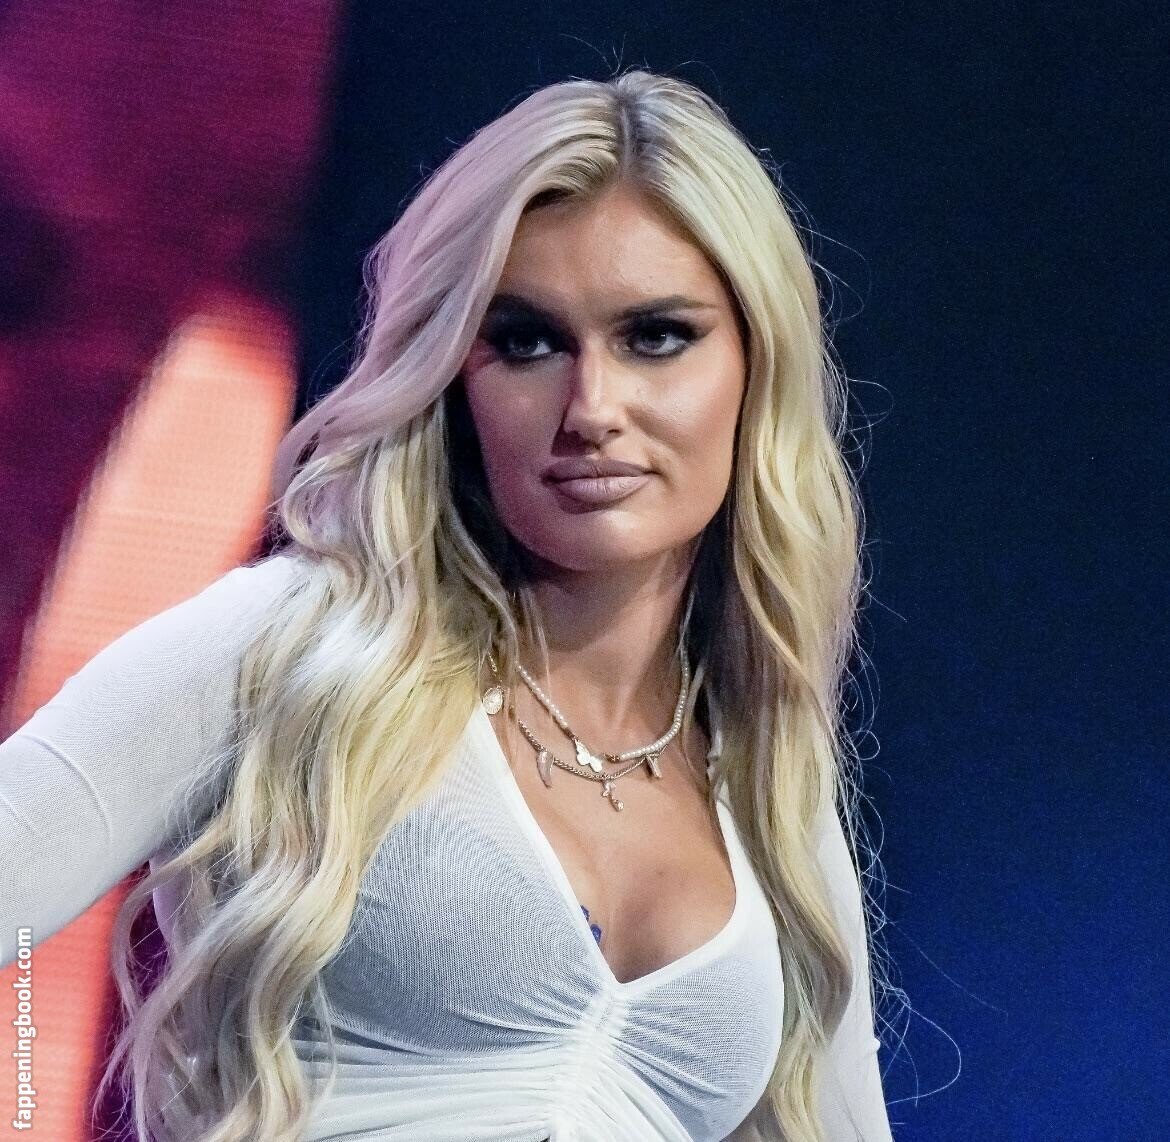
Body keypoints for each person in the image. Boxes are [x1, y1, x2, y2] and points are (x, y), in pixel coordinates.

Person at [0, 69, 894, 1141]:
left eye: (656, 336)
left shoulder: (770, 777)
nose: (592, 407)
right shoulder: (297, 645)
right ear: (453, 377)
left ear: (756, 362)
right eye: (526, 341)